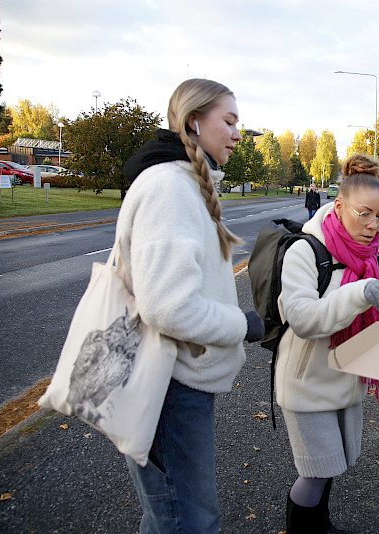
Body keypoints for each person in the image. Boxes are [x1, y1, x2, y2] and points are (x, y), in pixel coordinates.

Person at [118, 78, 264, 533]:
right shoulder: (171, 188)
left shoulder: (184, 182)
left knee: (169, 515)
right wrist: (241, 324)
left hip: (175, 380)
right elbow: (168, 308)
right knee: (189, 520)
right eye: (230, 120)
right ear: (194, 121)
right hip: (169, 385)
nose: (239, 133)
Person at [276, 154, 379, 533]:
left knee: (334, 465)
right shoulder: (306, 251)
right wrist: (359, 293)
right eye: (365, 214)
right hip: (307, 382)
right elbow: (302, 319)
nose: (373, 225)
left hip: (347, 378)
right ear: (340, 205)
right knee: (315, 472)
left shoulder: (372, 253)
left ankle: (321, 524)